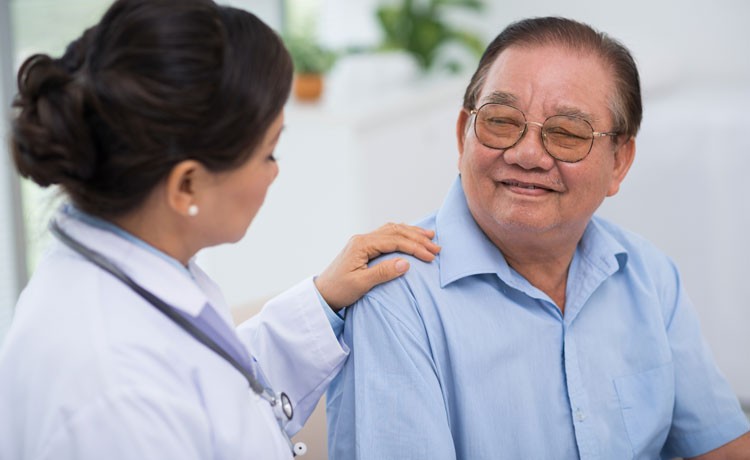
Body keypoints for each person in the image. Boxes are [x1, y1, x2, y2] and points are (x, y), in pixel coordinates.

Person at [0, 1, 442, 459]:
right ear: (186, 184)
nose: (275, 173)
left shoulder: (131, 265)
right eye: (268, 153)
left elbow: (220, 388)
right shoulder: (112, 391)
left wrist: (323, 299)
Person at [327, 16, 750, 459]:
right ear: (462, 134)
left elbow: (722, 447)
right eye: (501, 121)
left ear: (620, 161)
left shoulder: (649, 275)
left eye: (567, 133)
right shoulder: (395, 296)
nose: (527, 154)